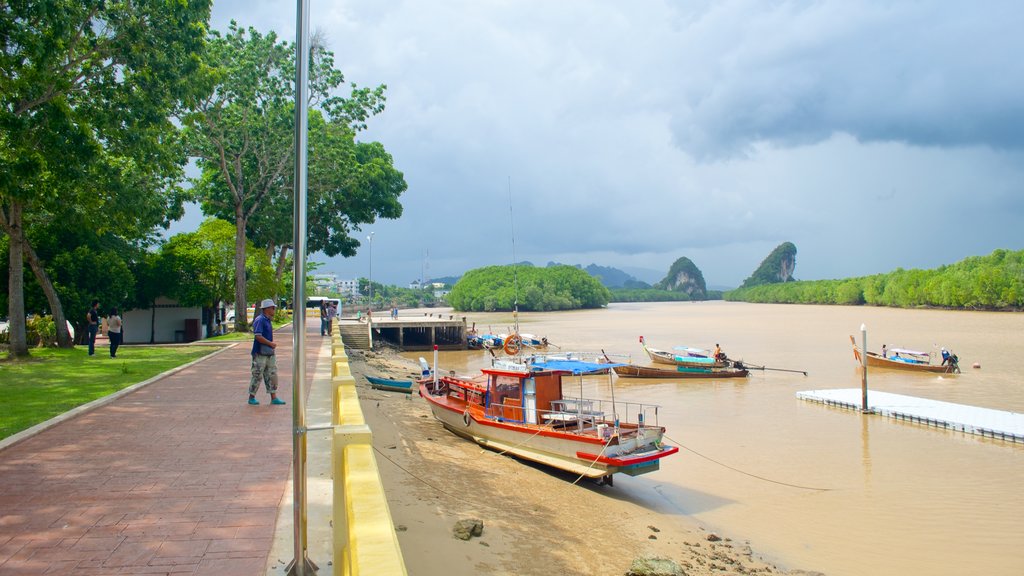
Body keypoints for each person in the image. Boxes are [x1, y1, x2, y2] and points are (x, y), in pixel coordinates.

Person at [249, 298, 285, 406]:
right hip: (260, 352)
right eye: (273, 308)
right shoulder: (260, 320)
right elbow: (258, 336)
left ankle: (273, 397)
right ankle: (251, 396)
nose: (274, 310)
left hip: (269, 352)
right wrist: (270, 343)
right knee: (257, 374)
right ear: (267, 309)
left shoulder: (267, 320)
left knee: (272, 373)